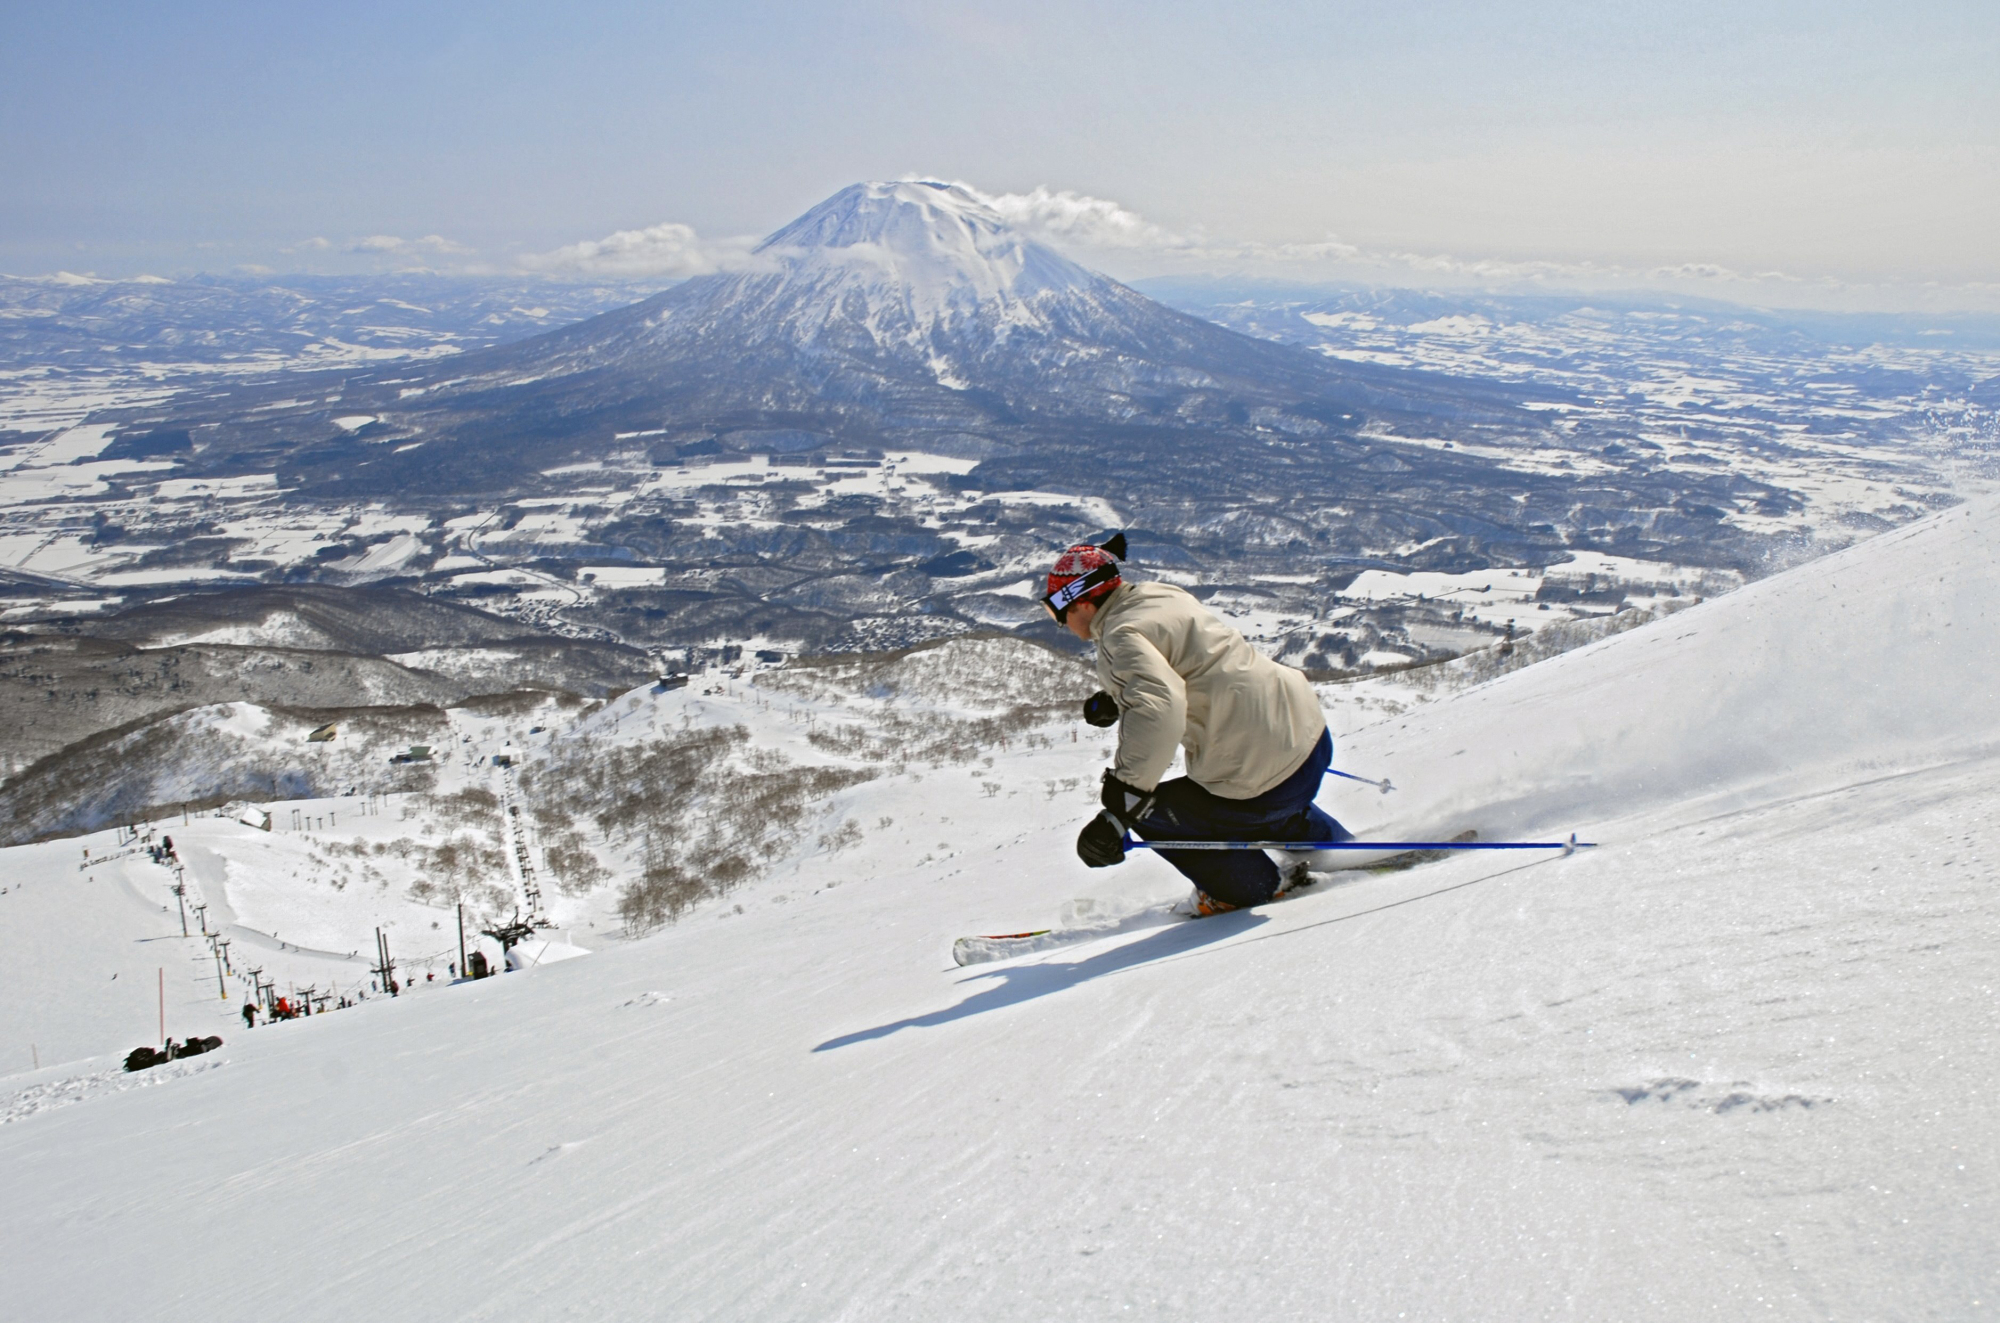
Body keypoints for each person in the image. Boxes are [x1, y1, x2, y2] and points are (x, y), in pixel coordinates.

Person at [1044, 536, 1350, 915]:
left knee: (1152, 809)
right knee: (1247, 778)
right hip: (1309, 738)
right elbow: (1191, 659)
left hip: (1261, 779)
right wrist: (1119, 694)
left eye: (1058, 611)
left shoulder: (1119, 636)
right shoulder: (1160, 594)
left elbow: (1160, 711)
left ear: (1084, 602)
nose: (1059, 622)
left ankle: (1245, 890)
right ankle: (1332, 846)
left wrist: (1120, 806)